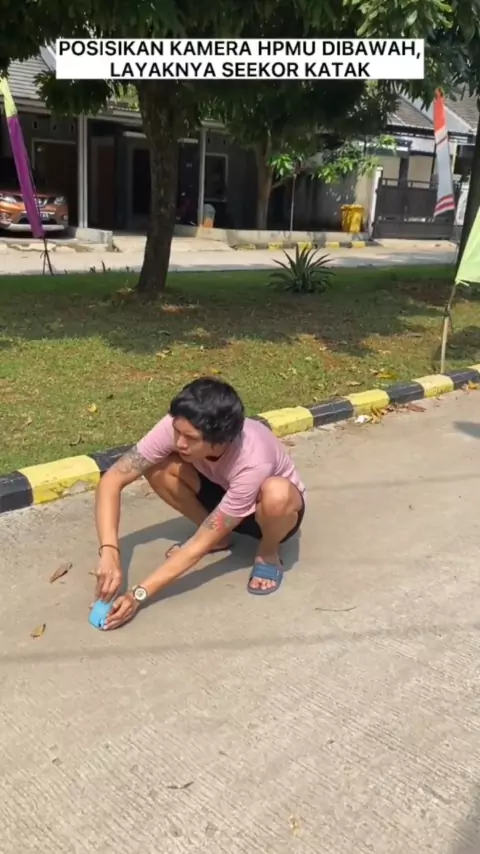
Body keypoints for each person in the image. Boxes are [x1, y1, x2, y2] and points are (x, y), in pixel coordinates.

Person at [93, 377, 306, 630]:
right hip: (221, 492)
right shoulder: (180, 424)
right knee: (155, 466)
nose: (179, 442)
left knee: (277, 494)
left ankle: (268, 553)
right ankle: (221, 539)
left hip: (269, 514)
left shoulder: (253, 459)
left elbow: (197, 545)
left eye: (190, 438)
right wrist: (110, 551)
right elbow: (112, 479)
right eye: (177, 432)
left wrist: (137, 595)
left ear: (221, 440)